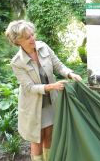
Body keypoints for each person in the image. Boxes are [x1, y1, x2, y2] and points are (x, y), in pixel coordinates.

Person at [5, 20, 82, 161]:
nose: (33, 39)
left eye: (33, 35)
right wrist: (51, 87)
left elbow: (58, 65)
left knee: (50, 135)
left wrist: (71, 74)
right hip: (33, 107)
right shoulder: (17, 62)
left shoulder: (44, 47)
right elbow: (29, 87)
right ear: (18, 41)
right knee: (37, 139)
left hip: (50, 102)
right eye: (28, 37)